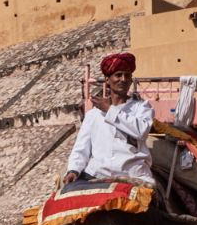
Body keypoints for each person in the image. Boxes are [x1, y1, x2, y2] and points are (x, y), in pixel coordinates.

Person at [64, 52, 155, 187]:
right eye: (118, 75)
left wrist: (109, 110)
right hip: (95, 175)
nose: (123, 79)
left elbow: (141, 131)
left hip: (133, 175)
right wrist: (74, 170)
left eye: (127, 75)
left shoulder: (142, 107)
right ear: (107, 80)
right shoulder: (93, 115)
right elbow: (81, 148)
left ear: (131, 80)